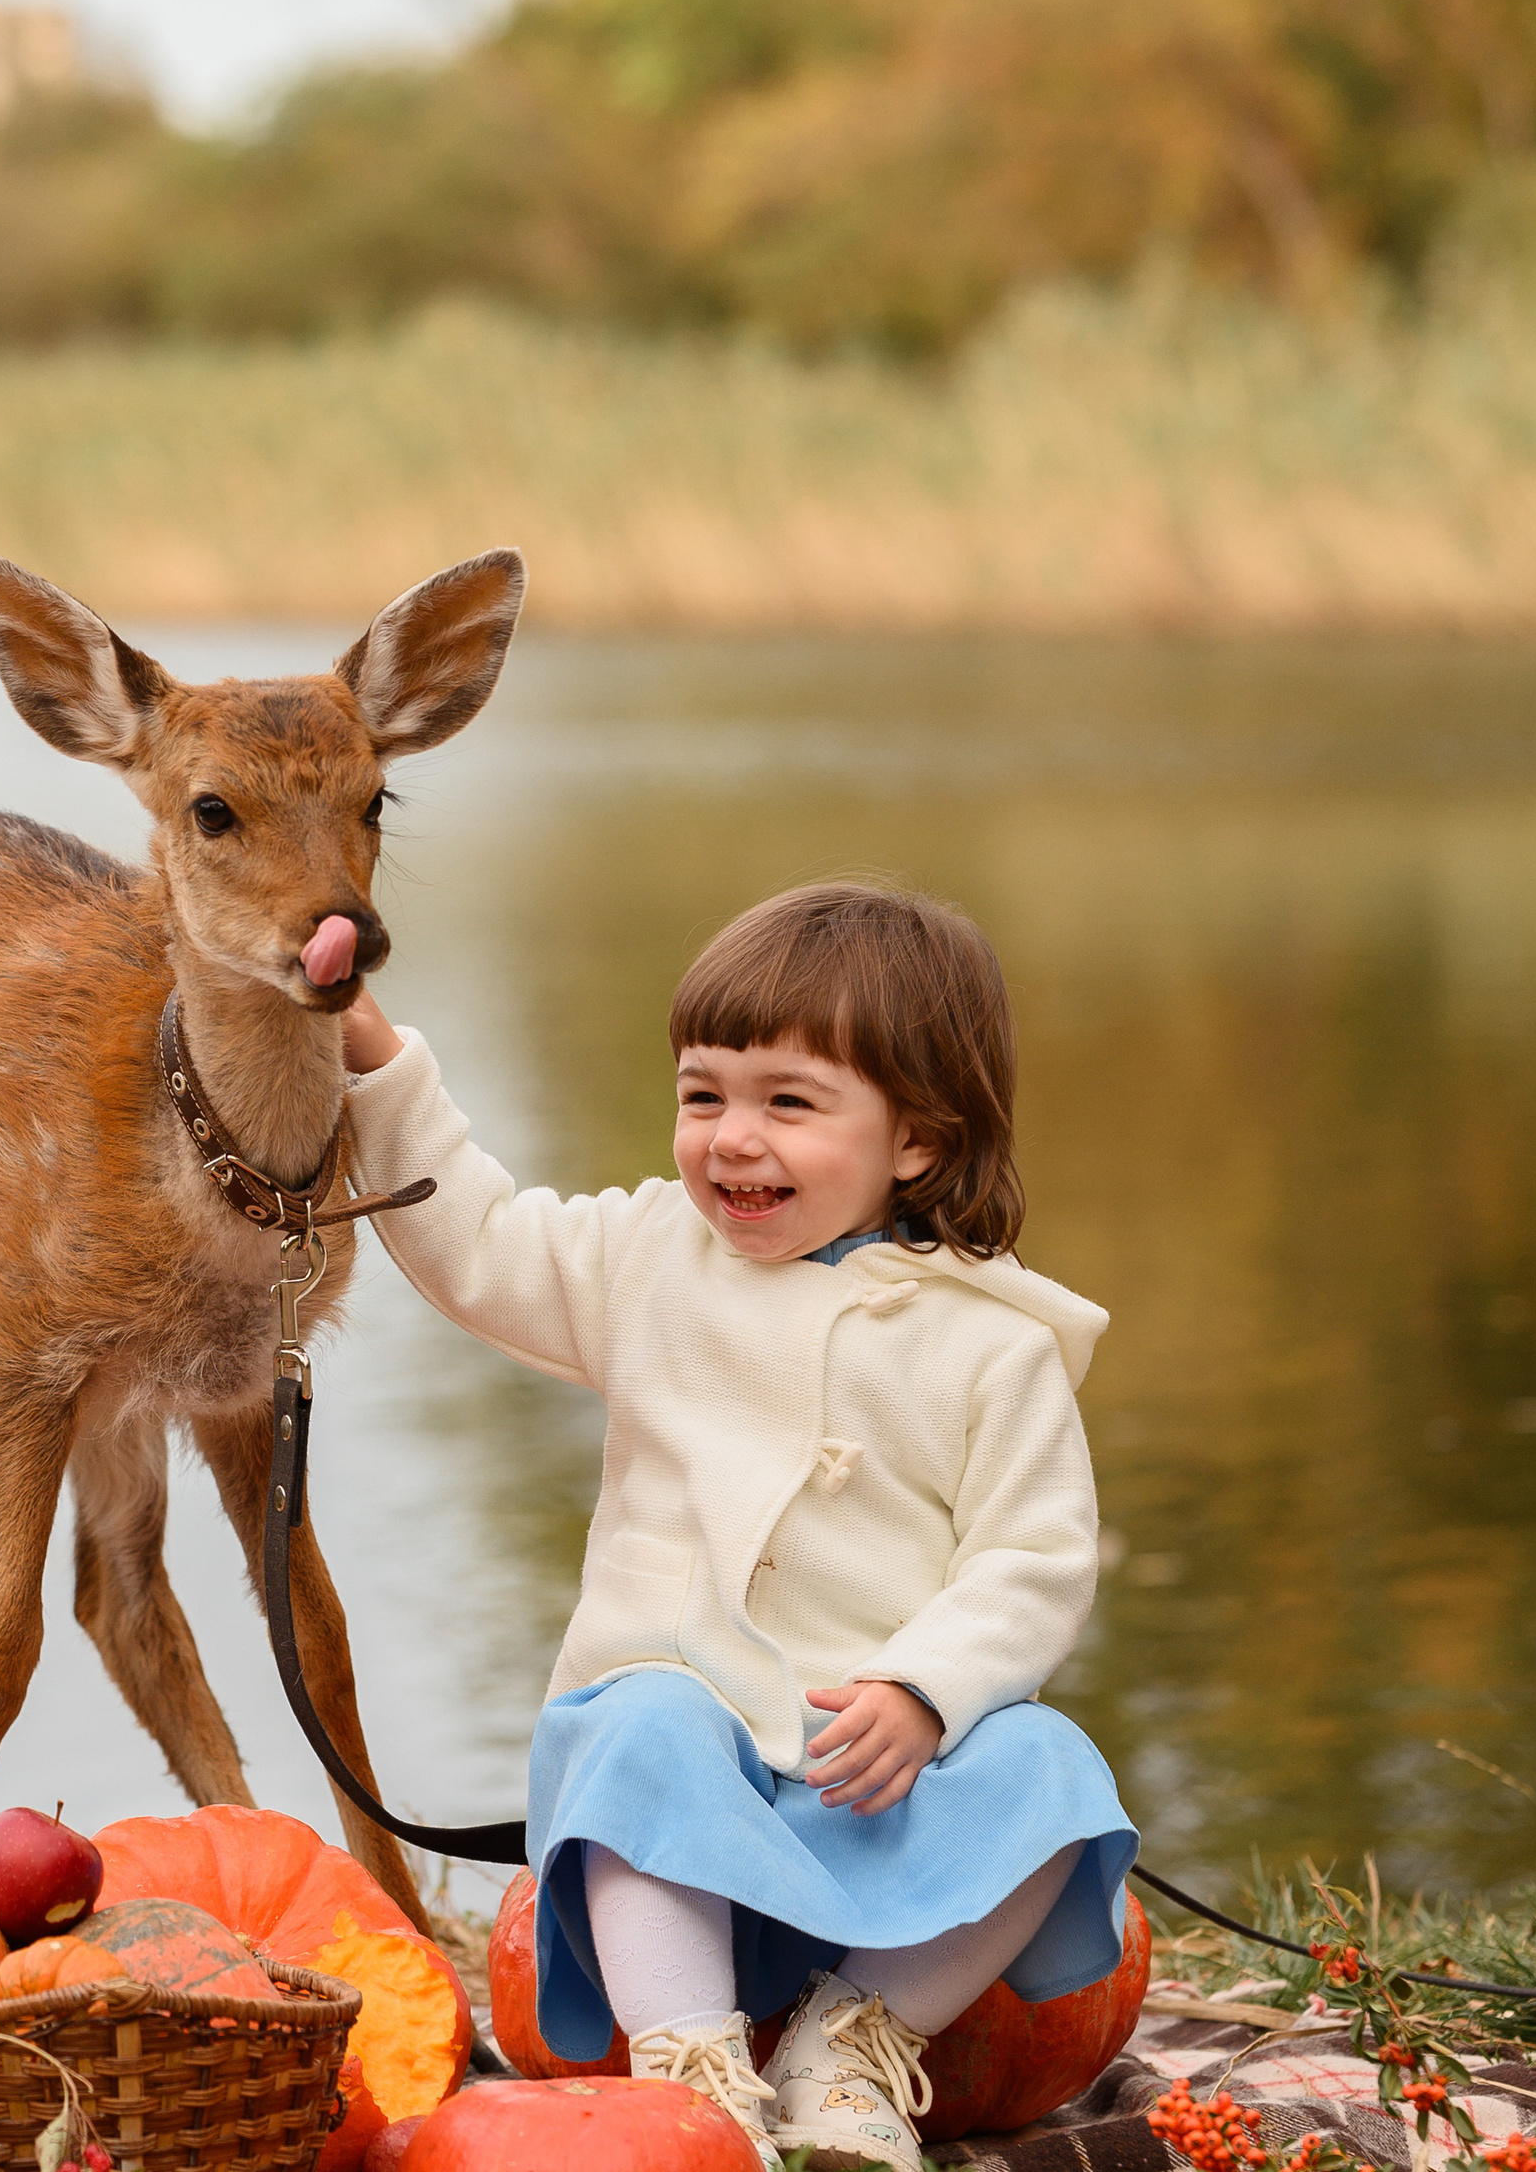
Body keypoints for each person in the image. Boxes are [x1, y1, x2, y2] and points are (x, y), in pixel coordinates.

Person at [337, 880, 1139, 2172]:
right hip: (677, 1829)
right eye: (703, 1095)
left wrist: (927, 1693)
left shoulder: (994, 1346)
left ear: (919, 1140)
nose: (729, 1139)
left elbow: (1033, 1561)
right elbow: (478, 1241)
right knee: (634, 1717)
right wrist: (378, 1059)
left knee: (1056, 1778)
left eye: (787, 1103)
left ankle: (852, 2040)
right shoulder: (652, 1260)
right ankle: (693, 2075)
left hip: (874, 1805)